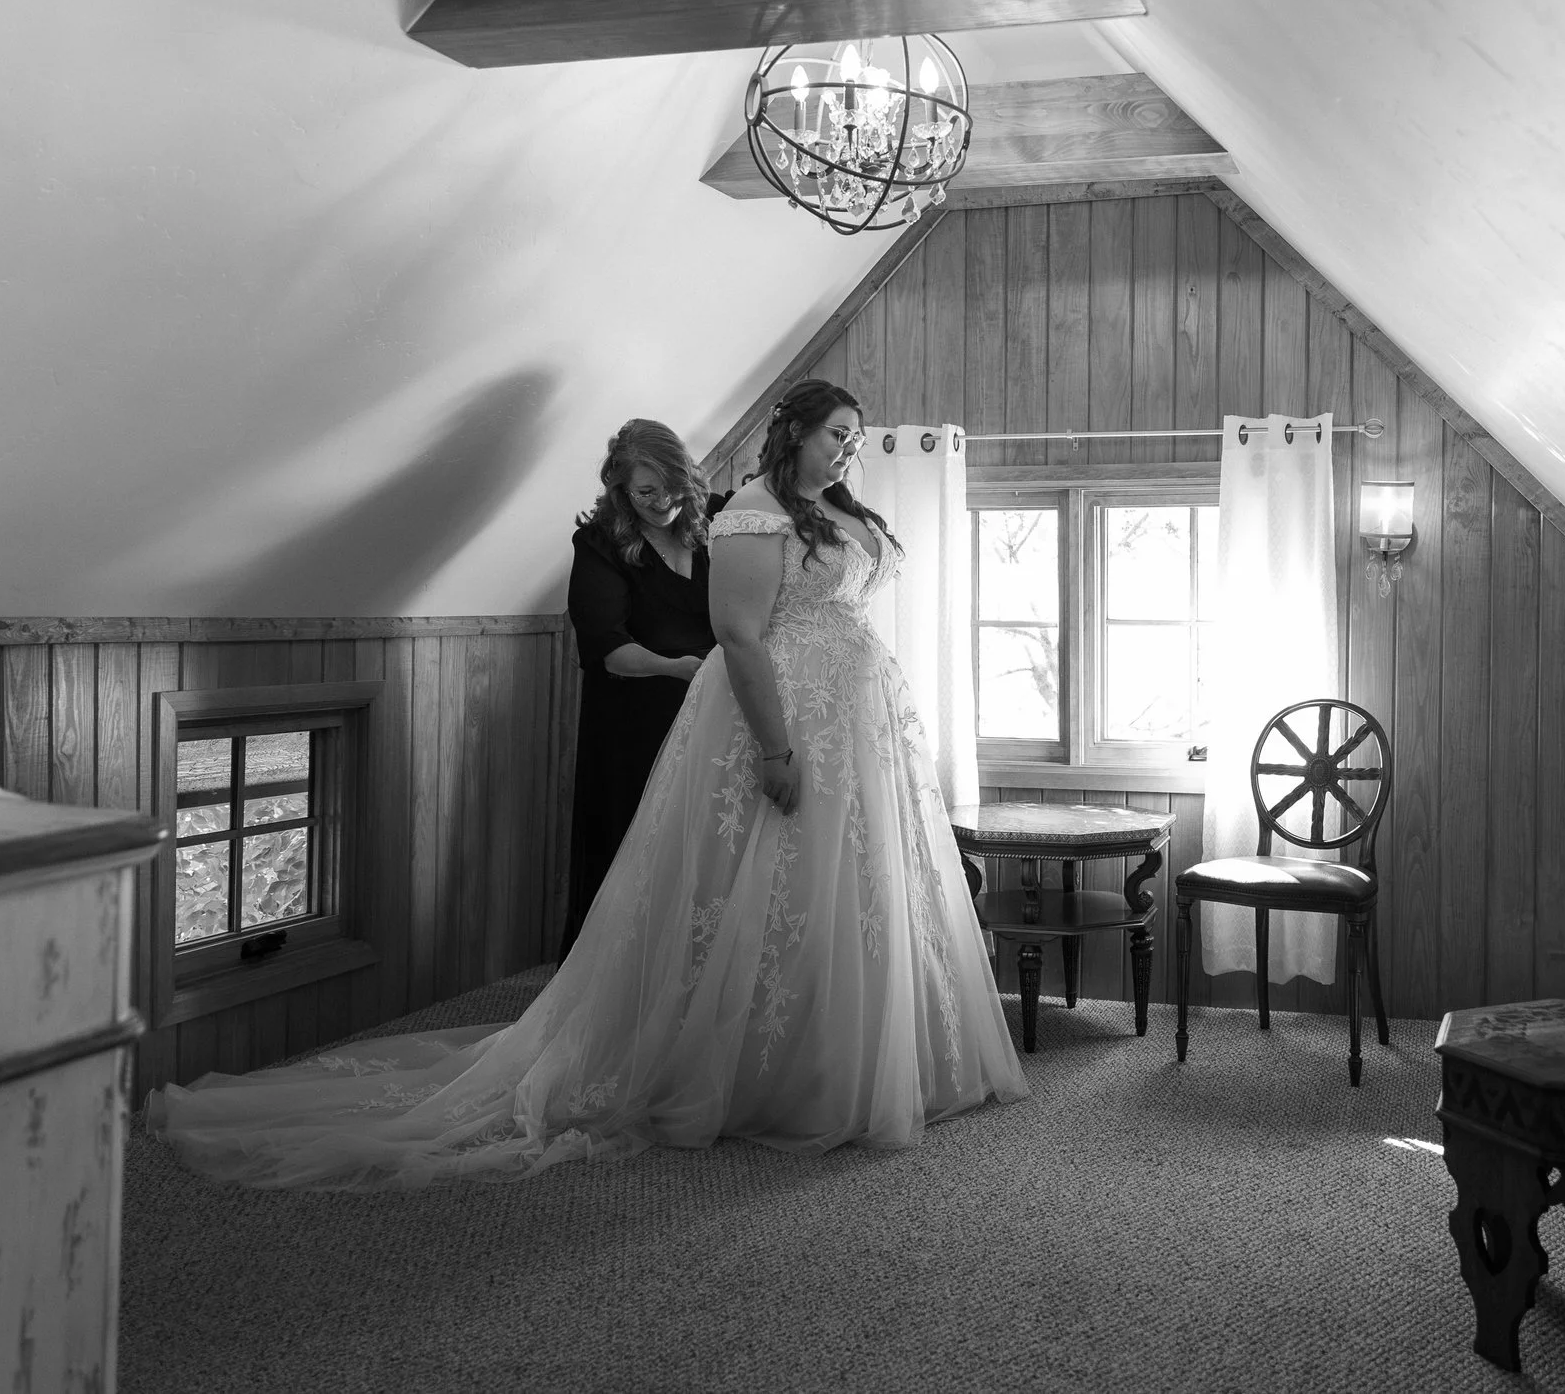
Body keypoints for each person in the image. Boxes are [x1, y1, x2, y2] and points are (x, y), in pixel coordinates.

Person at [148, 379, 1027, 1187]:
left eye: (857, 436)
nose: (851, 447)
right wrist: (774, 746)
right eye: (839, 433)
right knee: (737, 890)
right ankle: (744, 1067)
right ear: (795, 432)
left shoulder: (817, 508)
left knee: (842, 893)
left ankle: (842, 1058)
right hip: (768, 719)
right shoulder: (739, 519)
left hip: (856, 728)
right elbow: (737, 637)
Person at [564, 419, 722, 953]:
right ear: (620, 490)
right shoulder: (601, 544)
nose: (662, 501)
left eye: (673, 487)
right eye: (645, 492)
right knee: (634, 854)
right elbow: (610, 653)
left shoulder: (715, 526)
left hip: (713, 717)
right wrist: (682, 667)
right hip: (634, 726)